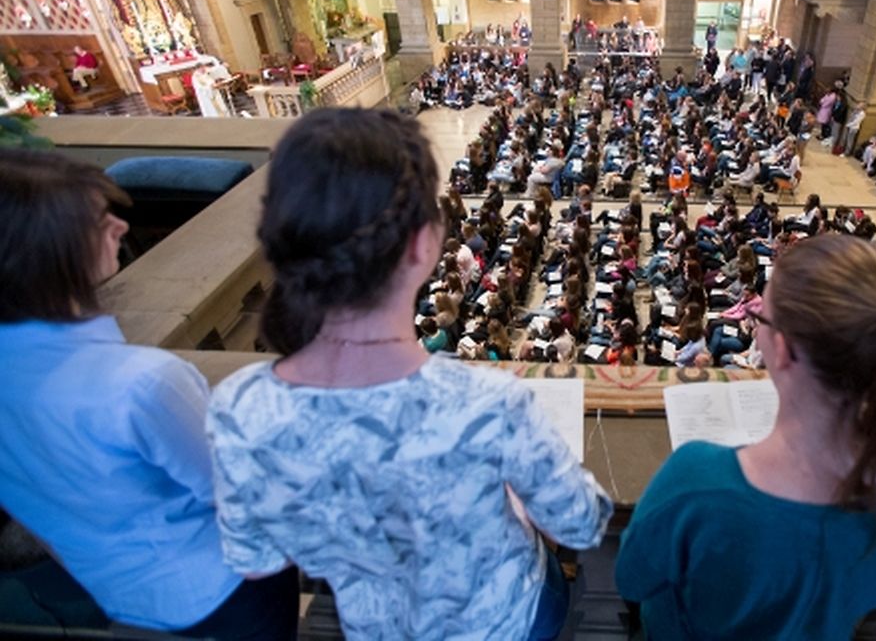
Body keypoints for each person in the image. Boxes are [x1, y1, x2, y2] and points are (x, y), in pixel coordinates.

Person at [206, 109, 612, 641]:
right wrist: (509, 500)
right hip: (505, 620)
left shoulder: (239, 408)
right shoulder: (490, 404)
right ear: (424, 245)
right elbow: (582, 522)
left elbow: (254, 558)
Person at [0, 150, 298, 638]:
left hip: (116, 590)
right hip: (221, 592)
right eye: (99, 222)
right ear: (48, 249)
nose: (120, 228)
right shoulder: (141, 383)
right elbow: (237, 494)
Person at [616, 235, 876, 639]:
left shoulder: (696, 481)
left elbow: (632, 579)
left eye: (761, 318)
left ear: (784, 348)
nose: (754, 327)